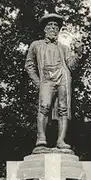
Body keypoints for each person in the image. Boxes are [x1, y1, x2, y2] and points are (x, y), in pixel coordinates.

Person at [25, 13, 82, 150]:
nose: (53, 28)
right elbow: (29, 65)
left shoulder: (64, 48)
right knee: (44, 107)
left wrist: (79, 53)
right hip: (46, 79)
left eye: (56, 26)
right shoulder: (36, 45)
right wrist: (38, 82)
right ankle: (41, 139)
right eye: (50, 25)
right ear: (44, 29)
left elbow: (71, 65)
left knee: (63, 109)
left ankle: (61, 141)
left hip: (62, 77)